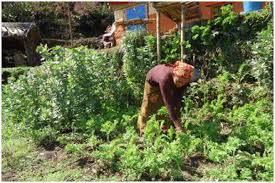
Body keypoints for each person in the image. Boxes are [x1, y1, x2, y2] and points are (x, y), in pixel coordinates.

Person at [137, 61, 200, 135]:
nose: (180, 84)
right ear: (174, 75)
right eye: (179, 81)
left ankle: (164, 130)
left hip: (169, 82)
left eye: (183, 82)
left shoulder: (184, 79)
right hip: (153, 83)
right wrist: (178, 125)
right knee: (149, 106)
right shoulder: (164, 78)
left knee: (169, 107)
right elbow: (168, 103)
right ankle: (143, 131)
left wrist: (178, 115)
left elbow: (177, 98)